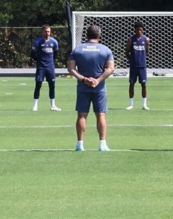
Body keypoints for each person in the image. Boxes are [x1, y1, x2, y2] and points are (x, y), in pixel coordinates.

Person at [67, 24, 115, 152]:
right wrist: (98, 80)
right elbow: (110, 68)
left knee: (82, 116)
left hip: (83, 86)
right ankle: (102, 144)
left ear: (86, 35)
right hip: (99, 88)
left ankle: (79, 144)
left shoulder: (78, 49)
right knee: (101, 115)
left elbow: (71, 68)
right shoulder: (105, 50)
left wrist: (83, 79)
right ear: (99, 35)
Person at [31, 24, 61, 112]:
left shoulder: (54, 42)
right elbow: (33, 53)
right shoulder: (38, 42)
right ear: (42, 32)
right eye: (45, 31)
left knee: (52, 86)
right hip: (41, 67)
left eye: (48, 31)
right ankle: (35, 105)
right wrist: (38, 60)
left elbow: (56, 53)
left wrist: (51, 62)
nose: (47, 33)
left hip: (50, 67)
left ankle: (53, 105)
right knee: (38, 85)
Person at [126, 22, 150, 110]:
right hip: (133, 67)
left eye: (141, 29)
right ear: (135, 30)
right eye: (137, 29)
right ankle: (131, 104)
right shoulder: (131, 40)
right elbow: (127, 52)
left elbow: (146, 52)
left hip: (142, 66)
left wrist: (141, 59)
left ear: (143, 30)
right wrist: (131, 60)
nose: (139, 31)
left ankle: (144, 104)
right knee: (131, 83)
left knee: (143, 84)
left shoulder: (146, 40)